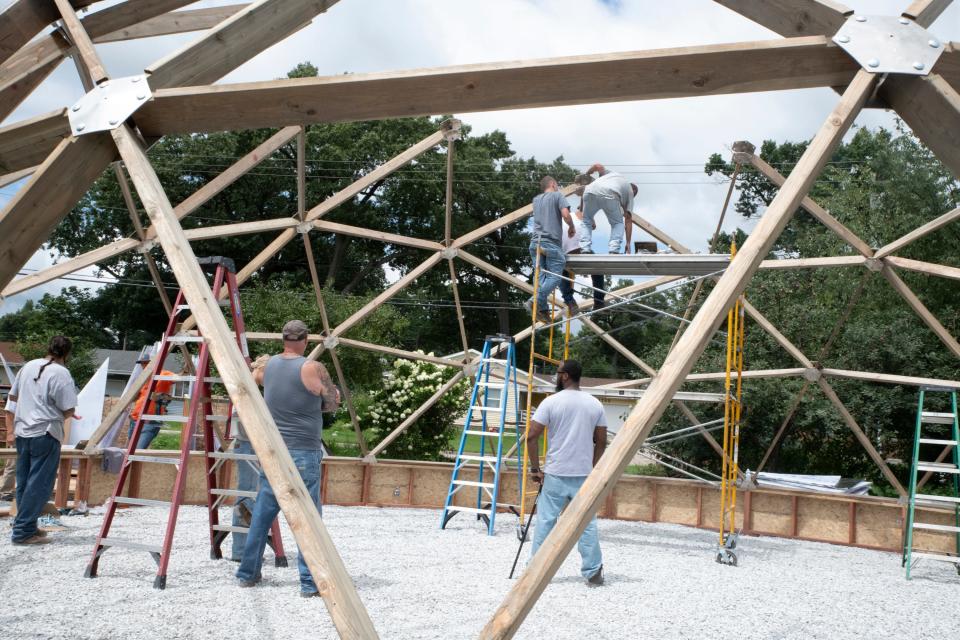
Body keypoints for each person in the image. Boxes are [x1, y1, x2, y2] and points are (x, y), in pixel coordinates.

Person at [236, 320, 340, 597]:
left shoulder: (268, 368)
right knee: (309, 520)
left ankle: (248, 573)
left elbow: (255, 374)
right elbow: (333, 402)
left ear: (283, 339)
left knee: (262, 514)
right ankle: (309, 582)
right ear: (305, 340)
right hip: (303, 451)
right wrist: (325, 395)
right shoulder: (312, 368)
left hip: (273, 452)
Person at [526, 359, 607, 585]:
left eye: (557, 372)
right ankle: (593, 571)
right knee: (586, 524)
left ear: (565, 376)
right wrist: (593, 467)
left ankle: (536, 570)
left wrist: (535, 468)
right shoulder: (595, 404)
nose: (555, 376)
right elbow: (601, 441)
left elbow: (531, 436)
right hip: (583, 475)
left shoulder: (551, 402)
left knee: (546, 522)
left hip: (556, 472)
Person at [9, 336, 79, 545]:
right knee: (39, 485)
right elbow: (69, 409)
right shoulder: (61, 373)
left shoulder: (29, 366)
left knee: (24, 482)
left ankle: (25, 525)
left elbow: (13, 398)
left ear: (48, 348)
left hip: (23, 432)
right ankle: (22, 532)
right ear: (67, 353)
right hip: (45, 433)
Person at [525, 175, 577, 324]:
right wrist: (572, 227)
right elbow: (566, 214)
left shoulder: (536, 200)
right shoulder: (557, 195)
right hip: (551, 243)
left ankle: (542, 310)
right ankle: (533, 301)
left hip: (535, 243)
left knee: (541, 279)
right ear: (553, 184)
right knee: (556, 277)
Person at [578, 163, 636, 255]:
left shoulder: (613, 175)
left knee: (586, 221)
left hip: (589, 191)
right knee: (617, 223)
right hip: (610, 193)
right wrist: (628, 243)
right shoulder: (630, 193)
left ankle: (585, 249)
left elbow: (597, 166)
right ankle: (614, 249)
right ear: (633, 192)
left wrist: (587, 174)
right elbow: (628, 220)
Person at [560, 206, 608, 311]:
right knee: (598, 269)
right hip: (580, 251)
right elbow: (593, 225)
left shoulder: (557, 220)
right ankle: (599, 302)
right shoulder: (578, 214)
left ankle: (569, 301)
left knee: (561, 272)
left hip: (566, 254)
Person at [128, 352, 175, 450]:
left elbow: (177, 378)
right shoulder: (143, 378)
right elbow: (138, 397)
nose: (143, 366)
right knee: (130, 452)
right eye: (142, 363)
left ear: (155, 363)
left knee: (138, 451)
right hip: (135, 420)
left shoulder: (163, 374)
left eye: (146, 363)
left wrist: (185, 371)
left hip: (150, 422)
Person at [1, 397, 17, 501]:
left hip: (32, 433)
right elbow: (9, 412)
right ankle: (5, 491)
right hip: (20, 434)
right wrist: (10, 433)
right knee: (13, 463)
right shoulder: (18, 393)